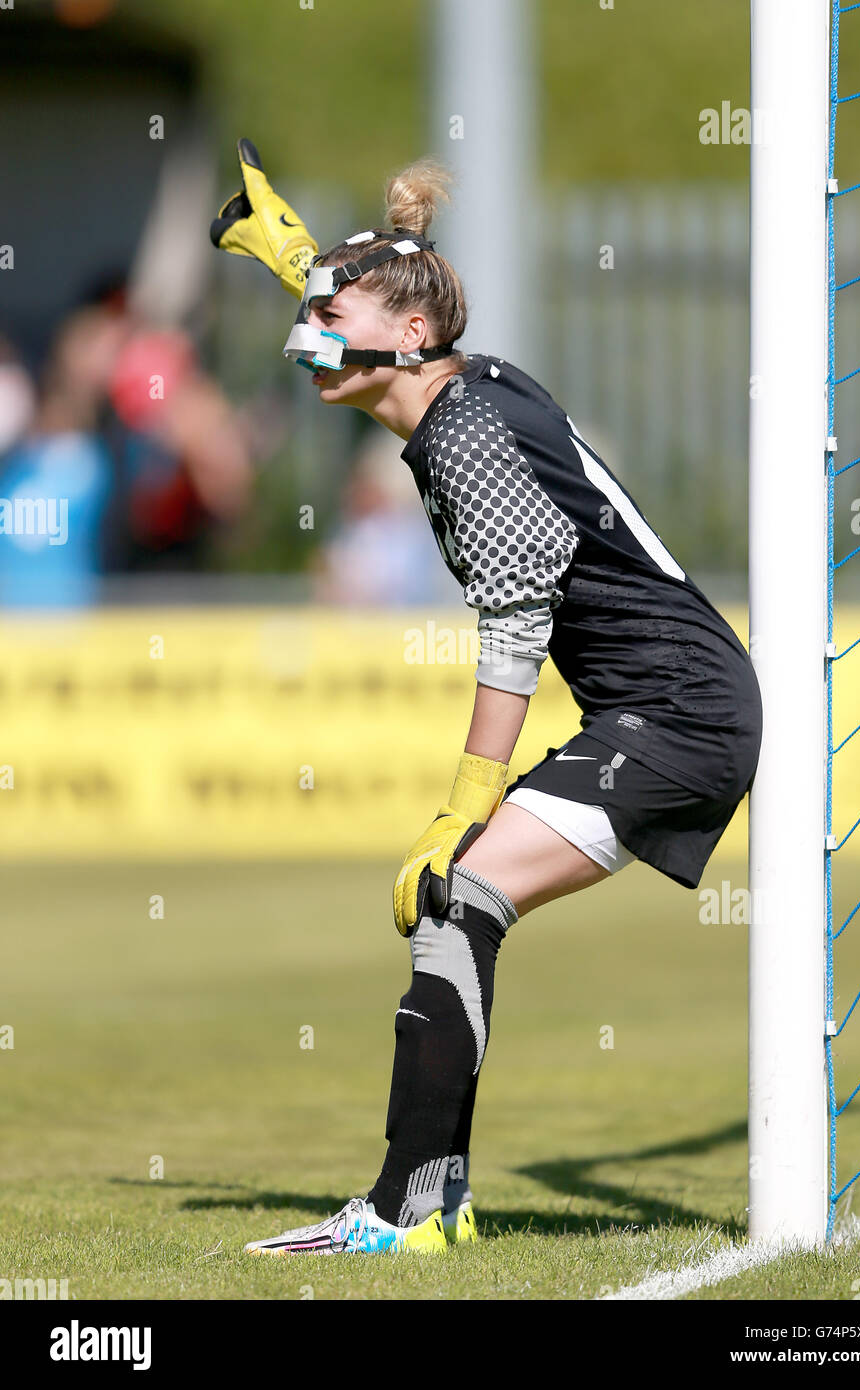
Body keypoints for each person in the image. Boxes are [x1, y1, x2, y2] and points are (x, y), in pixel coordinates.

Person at [211, 141, 763, 1256]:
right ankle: (429, 1204)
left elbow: (514, 625)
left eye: (333, 309)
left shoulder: (466, 437)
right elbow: (369, 346)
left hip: (684, 709)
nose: (310, 333)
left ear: (412, 333)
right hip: (662, 703)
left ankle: (407, 1207)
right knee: (460, 903)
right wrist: (297, 260)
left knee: (460, 881)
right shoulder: (454, 386)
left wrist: (463, 798)